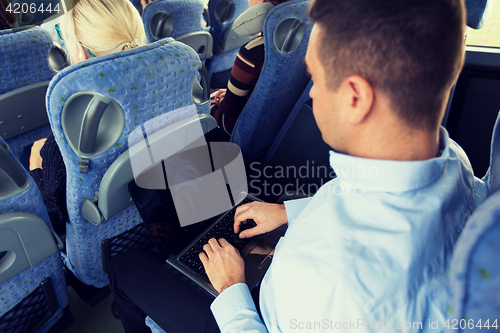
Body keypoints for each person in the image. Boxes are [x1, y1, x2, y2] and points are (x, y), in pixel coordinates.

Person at [109, 0, 486, 332]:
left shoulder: (331, 279)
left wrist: (232, 291)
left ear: (356, 98)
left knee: (127, 266)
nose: (314, 96)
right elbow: (359, 194)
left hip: (252, 313)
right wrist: (289, 212)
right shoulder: (454, 162)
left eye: (317, 79)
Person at [28, 0, 146, 234]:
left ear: (81, 51)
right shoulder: (167, 92)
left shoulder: (71, 133)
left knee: (34, 150)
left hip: (103, 253)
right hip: (158, 224)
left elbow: (55, 217)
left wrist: (36, 164)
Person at [210, 0, 290, 140]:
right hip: (274, 127)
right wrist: (230, 94)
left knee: (203, 97)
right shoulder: (304, 44)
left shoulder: (253, 51)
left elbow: (228, 109)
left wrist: (222, 100)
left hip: (235, 127)